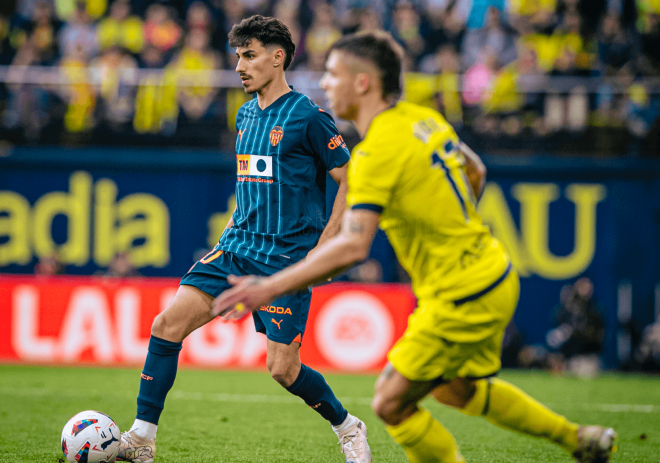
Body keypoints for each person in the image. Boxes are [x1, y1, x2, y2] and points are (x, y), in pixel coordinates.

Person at [212, 30, 618, 463]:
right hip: (492, 270)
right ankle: (578, 439)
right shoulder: (424, 119)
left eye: (332, 74)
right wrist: (445, 227)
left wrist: (270, 287)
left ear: (363, 83)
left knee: (390, 402)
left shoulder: (375, 154)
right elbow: (475, 171)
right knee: (457, 389)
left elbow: (353, 247)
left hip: (462, 290)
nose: (325, 84)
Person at [117, 15, 371, 463]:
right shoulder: (244, 113)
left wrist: (327, 247)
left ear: (278, 57)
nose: (239, 65)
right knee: (165, 325)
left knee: (282, 369)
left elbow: (349, 180)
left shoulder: (308, 117)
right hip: (236, 248)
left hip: (286, 259)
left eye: (249, 55)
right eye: (237, 55)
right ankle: (141, 438)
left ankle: (348, 426)